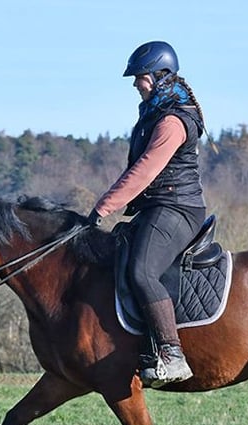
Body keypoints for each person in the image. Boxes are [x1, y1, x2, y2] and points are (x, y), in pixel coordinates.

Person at [86, 41, 209, 388]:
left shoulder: (172, 120)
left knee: (142, 271)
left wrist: (103, 207)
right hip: (157, 207)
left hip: (177, 208)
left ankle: (172, 353)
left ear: (159, 76)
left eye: (139, 77)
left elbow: (145, 171)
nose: (135, 84)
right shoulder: (154, 112)